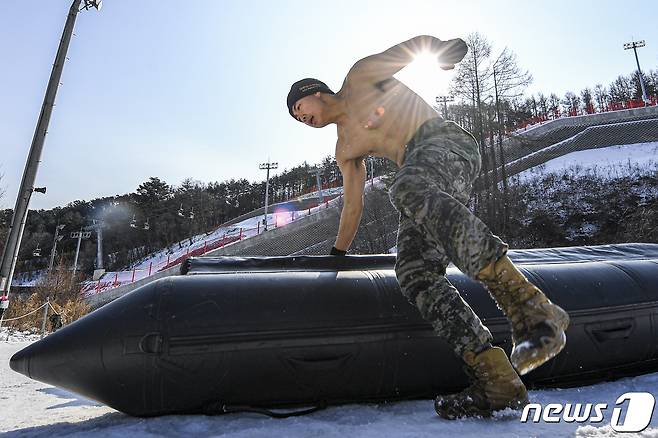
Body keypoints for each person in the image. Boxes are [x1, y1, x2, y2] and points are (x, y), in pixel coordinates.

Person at [286, 35, 569, 419]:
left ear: (314, 91)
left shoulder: (360, 78)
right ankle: (496, 378)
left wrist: (441, 50)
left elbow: (409, 50)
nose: (304, 119)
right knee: (414, 272)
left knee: (404, 184)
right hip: (423, 183)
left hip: (446, 144)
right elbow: (352, 206)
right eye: (299, 121)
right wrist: (336, 256)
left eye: (300, 109)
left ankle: (532, 310)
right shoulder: (344, 148)